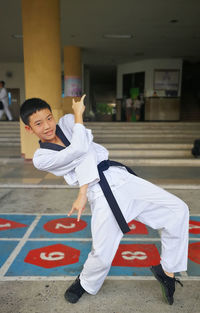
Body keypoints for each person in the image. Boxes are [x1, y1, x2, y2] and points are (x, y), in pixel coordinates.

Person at [20, 95, 189, 306]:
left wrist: (77, 117)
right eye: (38, 123)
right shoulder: (41, 158)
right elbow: (79, 150)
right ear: (29, 129)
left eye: (48, 118)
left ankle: (167, 271)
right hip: (98, 192)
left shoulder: (67, 122)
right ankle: (84, 282)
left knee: (177, 210)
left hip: (120, 177)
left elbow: (86, 150)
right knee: (102, 251)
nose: (47, 126)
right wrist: (84, 191)